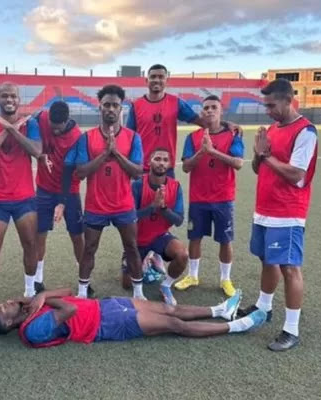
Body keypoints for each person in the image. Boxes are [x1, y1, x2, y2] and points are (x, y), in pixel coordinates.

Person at [237, 79, 318, 351]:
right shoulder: (272, 129)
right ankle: (264, 307)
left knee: (289, 268)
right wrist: (258, 155)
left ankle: (291, 329)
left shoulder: (306, 131)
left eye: (272, 105)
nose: (268, 110)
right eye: (266, 105)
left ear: (288, 100)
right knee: (266, 259)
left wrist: (266, 156)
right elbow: (258, 169)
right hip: (264, 210)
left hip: (288, 212)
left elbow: (296, 174)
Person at [0, 288, 266, 347]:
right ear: (9, 323)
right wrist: (43, 299)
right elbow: (69, 310)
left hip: (103, 305)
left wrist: (43, 294)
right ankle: (235, 326)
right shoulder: (32, 329)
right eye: (3, 308)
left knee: (169, 309)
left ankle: (220, 310)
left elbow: (69, 291)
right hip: (105, 324)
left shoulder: (31, 307)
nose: (7, 302)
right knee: (174, 324)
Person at [0, 82, 42, 319]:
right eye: (4, 96)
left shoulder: (31, 124)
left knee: (30, 244)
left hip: (25, 197)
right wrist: (8, 129)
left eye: (13, 96)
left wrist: (15, 130)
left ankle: (30, 292)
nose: (9, 99)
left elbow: (36, 151)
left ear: (19, 99)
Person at [74, 84, 144, 299]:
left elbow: (137, 172)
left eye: (115, 105)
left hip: (123, 204)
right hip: (96, 205)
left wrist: (117, 153)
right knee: (89, 248)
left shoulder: (133, 137)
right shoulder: (87, 138)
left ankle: (139, 293)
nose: (111, 109)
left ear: (121, 108)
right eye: (106, 105)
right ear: (100, 107)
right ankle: (82, 293)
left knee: (131, 247)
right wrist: (105, 153)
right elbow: (80, 172)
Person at [176, 95, 244, 297]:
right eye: (206, 108)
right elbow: (186, 167)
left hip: (223, 198)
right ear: (202, 112)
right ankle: (193, 276)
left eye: (214, 107)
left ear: (221, 110)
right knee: (195, 237)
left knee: (225, 240)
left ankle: (225, 279)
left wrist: (213, 152)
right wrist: (202, 152)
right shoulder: (193, 137)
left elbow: (238, 163)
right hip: (198, 198)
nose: (210, 111)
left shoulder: (233, 135)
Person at [123, 148, 187, 306]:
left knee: (182, 255)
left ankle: (165, 285)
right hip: (137, 239)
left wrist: (163, 209)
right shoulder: (138, 185)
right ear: (149, 162)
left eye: (165, 160)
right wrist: (152, 207)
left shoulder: (175, 186)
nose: (161, 163)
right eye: (157, 159)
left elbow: (179, 220)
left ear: (170, 164)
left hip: (160, 236)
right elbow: (129, 217)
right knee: (127, 284)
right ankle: (146, 259)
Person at [34, 101, 84, 293]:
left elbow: (68, 173)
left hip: (69, 190)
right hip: (44, 188)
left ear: (66, 120)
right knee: (40, 233)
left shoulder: (76, 137)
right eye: (52, 127)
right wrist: (39, 154)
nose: (54, 131)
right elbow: (31, 130)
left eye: (58, 128)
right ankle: (37, 279)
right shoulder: (42, 118)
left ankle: (84, 278)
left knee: (77, 235)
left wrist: (62, 202)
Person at [126, 64, 203, 176]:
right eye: (153, 77)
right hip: (142, 169)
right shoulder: (136, 105)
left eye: (161, 77)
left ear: (166, 81)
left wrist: (224, 124)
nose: (157, 80)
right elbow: (129, 137)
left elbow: (200, 121)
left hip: (166, 168)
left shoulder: (176, 103)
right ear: (147, 80)